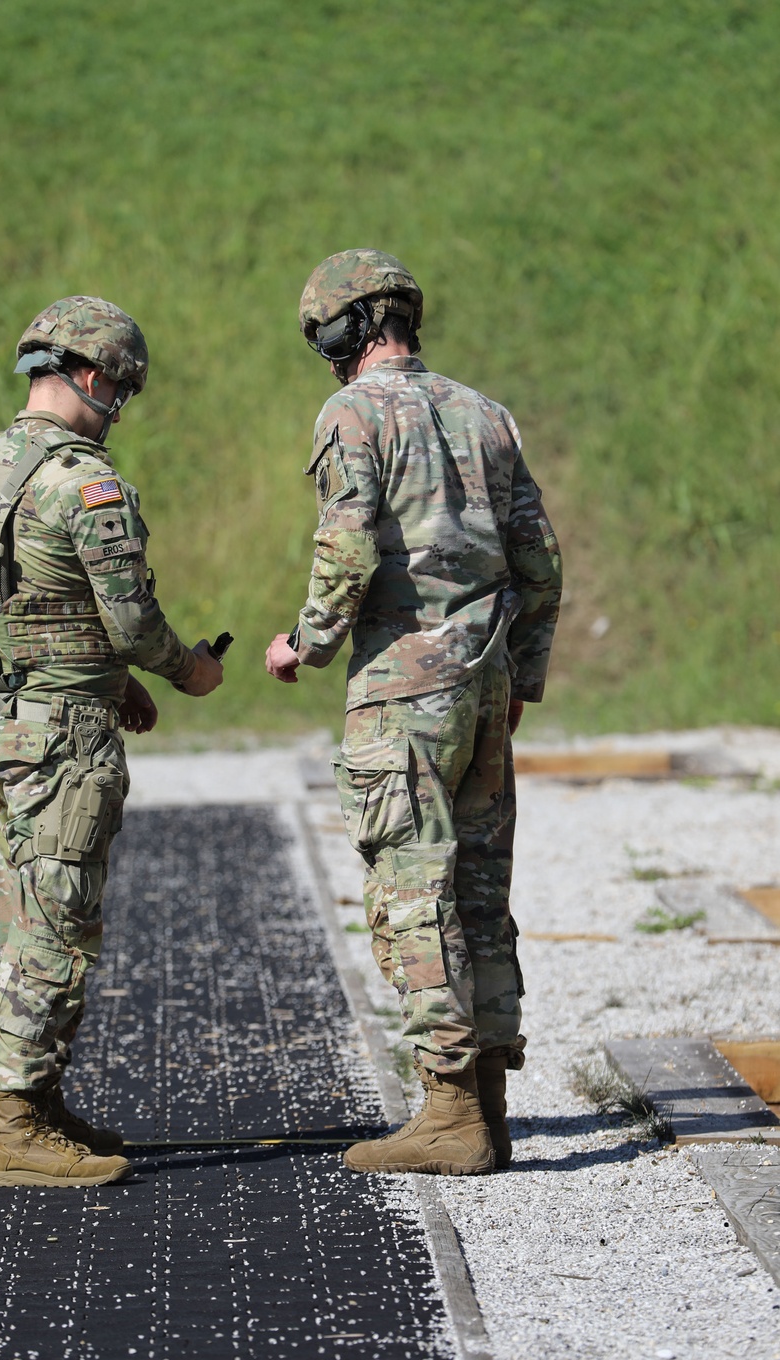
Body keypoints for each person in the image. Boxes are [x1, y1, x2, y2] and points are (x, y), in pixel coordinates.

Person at [265, 250, 562, 1175]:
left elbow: (347, 552)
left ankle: (447, 1110)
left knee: (413, 886)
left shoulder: (351, 413)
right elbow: (540, 560)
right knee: (479, 888)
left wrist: (305, 644)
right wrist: (525, 677)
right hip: (484, 679)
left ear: (343, 332)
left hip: (404, 687)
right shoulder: (485, 412)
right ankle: (491, 1104)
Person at [0, 295, 223, 1188]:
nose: (119, 409)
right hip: (63, 740)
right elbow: (134, 622)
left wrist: (115, 682)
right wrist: (187, 672)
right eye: (123, 392)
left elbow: (26, 608)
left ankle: (42, 1104)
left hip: (4, 721)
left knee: (29, 910)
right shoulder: (86, 484)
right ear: (96, 377)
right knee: (58, 924)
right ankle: (20, 1129)